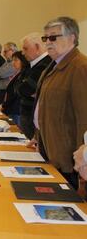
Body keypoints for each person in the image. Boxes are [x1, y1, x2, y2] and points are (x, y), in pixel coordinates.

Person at [35, 17, 87, 189]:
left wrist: (83, 158)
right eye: (45, 38)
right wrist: (37, 137)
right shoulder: (54, 65)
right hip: (49, 151)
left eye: (53, 37)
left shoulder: (79, 67)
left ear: (72, 38)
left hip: (68, 161)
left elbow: (84, 116)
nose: (48, 42)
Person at [16, 33, 52, 139]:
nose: (22, 53)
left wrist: (25, 88)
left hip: (33, 117)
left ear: (37, 47)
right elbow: (17, 87)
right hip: (27, 114)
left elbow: (25, 89)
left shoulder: (45, 64)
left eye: (25, 49)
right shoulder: (31, 65)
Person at [0, 51, 29, 127]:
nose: (13, 62)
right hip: (12, 109)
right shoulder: (17, 74)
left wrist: (4, 105)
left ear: (23, 61)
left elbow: (15, 94)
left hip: (16, 110)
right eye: (13, 60)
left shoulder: (23, 75)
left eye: (16, 60)